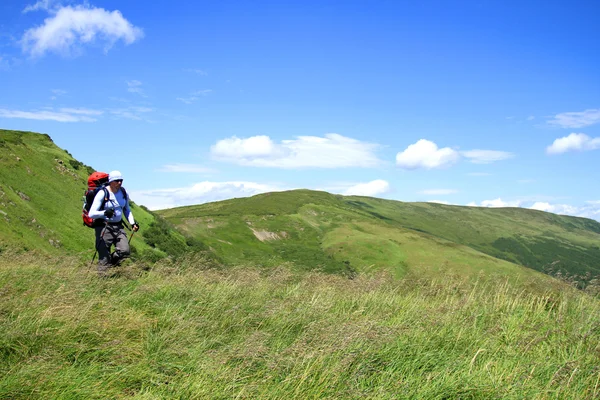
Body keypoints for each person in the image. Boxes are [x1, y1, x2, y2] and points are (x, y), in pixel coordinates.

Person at [88, 170, 139, 276]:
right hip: (103, 226)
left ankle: (110, 267)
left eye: (121, 180)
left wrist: (132, 223)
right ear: (111, 181)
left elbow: (126, 209)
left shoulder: (123, 192)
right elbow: (91, 214)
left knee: (125, 251)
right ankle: (102, 281)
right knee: (104, 257)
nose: (119, 183)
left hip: (118, 226)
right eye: (117, 181)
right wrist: (104, 213)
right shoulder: (103, 193)